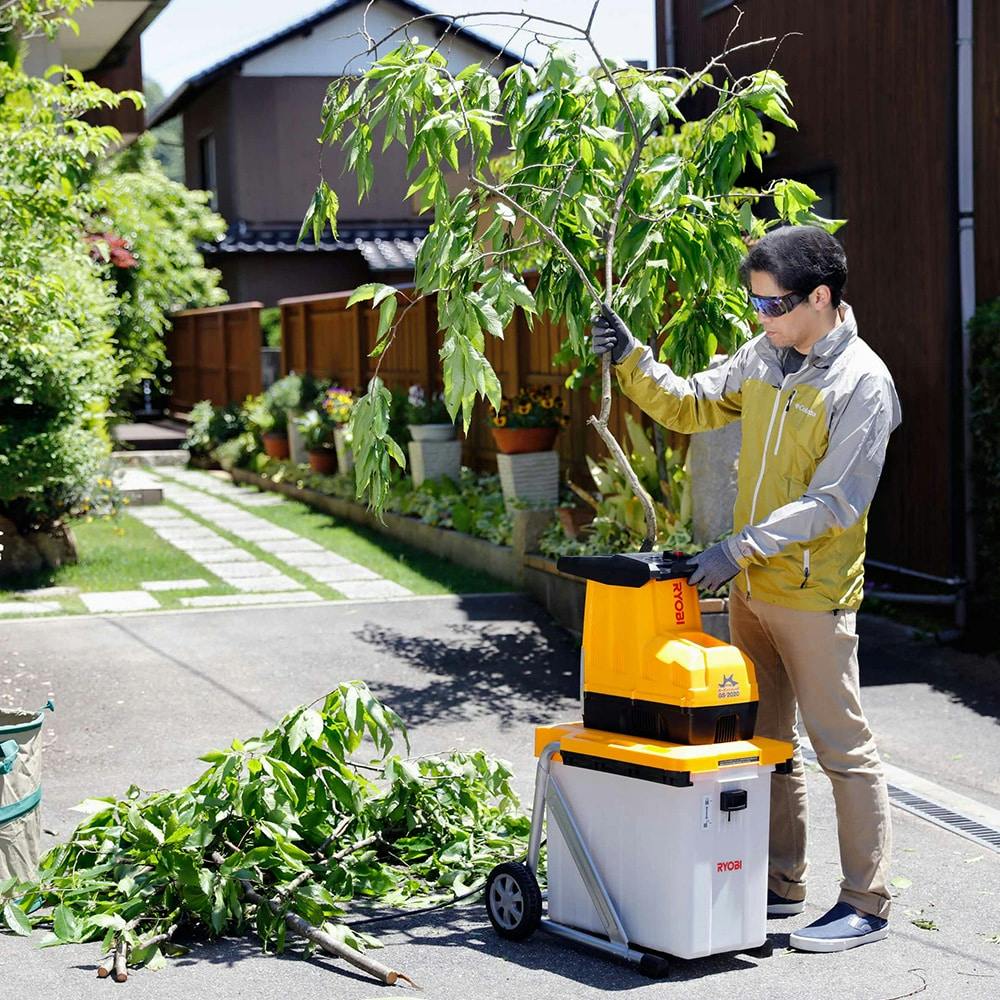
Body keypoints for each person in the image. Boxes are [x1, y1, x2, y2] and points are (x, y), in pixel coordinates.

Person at [591, 225, 901, 953]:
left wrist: (737, 547)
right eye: (754, 302)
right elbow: (693, 403)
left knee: (842, 749)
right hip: (753, 588)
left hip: (811, 593)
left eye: (773, 303)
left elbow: (837, 501)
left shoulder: (861, 383)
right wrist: (631, 357)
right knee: (764, 741)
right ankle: (781, 881)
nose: (760, 317)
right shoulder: (766, 355)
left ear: (820, 297)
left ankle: (866, 900)